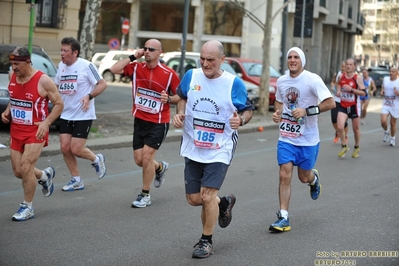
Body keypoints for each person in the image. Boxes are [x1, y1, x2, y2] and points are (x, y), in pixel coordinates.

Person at [172, 40, 254, 258]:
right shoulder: (191, 76)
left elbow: (247, 110)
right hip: (193, 143)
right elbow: (181, 97)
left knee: (207, 196)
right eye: (202, 59)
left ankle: (205, 241)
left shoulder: (233, 83)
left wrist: (241, 122)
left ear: (222, 60)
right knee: (194, 198)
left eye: (210, 60)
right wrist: (180, 113)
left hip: (221, 145)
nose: (205, 64)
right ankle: (224, 202)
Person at [269, 47, 335, 232]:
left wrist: (307, 111)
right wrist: (277, 113)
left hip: (308, 139)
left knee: (303, 177)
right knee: (284, 174)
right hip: (287, 138)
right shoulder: (282, 81)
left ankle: (313, 179)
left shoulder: (312, 79)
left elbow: (330, 102)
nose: (292, 60)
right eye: (289, 57)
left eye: (296, 57)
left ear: (302, 60)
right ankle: (283, 217)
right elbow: (279, 102)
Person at [110, 39, 180, 208]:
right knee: (139, 160)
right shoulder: (136, 68)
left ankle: (145, 194)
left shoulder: (169, 73)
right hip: (140, 120)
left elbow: (180, 96)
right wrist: (134, 56)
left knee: (147, 157)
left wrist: (169, 99)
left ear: (159, 53)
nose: (147, 51)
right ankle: (159, 168)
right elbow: (114, 69)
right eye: (145, 48)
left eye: (151, 49)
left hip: (158, 121)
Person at [1, 47, 64, 221]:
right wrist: (7, 111)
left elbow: (59, 104)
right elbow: (14, 98)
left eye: (17, 64)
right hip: (17, 130)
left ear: (28, 62)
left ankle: (27, 206)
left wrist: (47, 122)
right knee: (18, 171)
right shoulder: (12, 76)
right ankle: (45, 175)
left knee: (26, 166)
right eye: (12, 63)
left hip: (36, 131)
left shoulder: (43, 80)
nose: (13, 68)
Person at [55, 37, 108, 191]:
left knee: (76, 149)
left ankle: (97, 159)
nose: (62, 54)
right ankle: (76, 179)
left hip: (83, 114)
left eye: (66, 51)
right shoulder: (61, 66)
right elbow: (56, 86)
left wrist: (89, 96)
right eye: (61, 50)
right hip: (66, 114)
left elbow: (102, 84)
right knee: (65, 148)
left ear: (75, 52)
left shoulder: (86, 65)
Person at [336, 58, 366, 158]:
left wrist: (352, 89)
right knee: (340, 126)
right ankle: (344, 145)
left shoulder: (358, 78)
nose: (348, 66)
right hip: (343, 105)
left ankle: (357, 147)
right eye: (347, 64)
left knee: (355, 129)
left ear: (354, 66)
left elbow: (363, 93)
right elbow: (339, 84)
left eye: (350, 64)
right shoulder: (341, 76)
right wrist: (339, 91)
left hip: (354, 106)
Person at [380, 67, 399, 147]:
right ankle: (387, 131)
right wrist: (382, 91)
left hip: (395, 104)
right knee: (383, 121)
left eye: (393, 72)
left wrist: (397, 93)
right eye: (390, 71)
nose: (391, 73)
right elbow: (383, 87)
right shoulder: (385, 79)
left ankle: (392, 138)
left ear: (397, 73)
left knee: (392, 123)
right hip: (386, 103)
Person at [330, 61, 348, 143]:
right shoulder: (338, 74)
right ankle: (338, 132)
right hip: (336, 99)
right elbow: (334, 82)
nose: (343, 68)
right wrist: (333, 87)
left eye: (345, 66)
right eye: (342, 66)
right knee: (334, 119)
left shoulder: (350, 76)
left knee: (343, 121)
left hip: (345, 101)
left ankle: (345, 136)